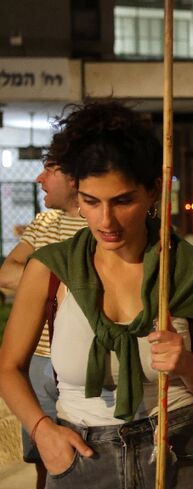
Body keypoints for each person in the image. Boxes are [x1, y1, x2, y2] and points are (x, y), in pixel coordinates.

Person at [0, 101, 193, 489]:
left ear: (154, 192)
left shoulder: (191, 270)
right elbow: (9, 366)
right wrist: (42, 430)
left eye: (123, 201)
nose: (105, 221)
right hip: (82, 457)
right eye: (91, 202)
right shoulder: (49, 268)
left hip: (176, 449)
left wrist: (186, 364)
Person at [0, 158, 86, 489]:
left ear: (75, 178)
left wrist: (38, 276)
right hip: (38, 359)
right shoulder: (45, 221)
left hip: (82, 360)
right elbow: (7, 273)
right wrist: (67, 283)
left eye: (49, 170)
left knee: (89, 457)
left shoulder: (99, 224)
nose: (40, 178)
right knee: (43, 461)